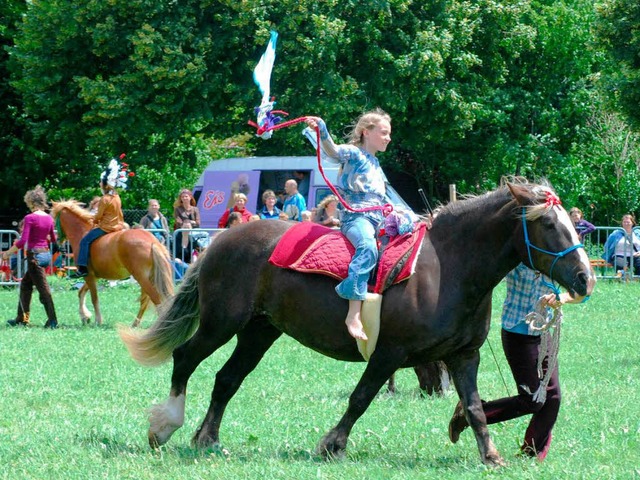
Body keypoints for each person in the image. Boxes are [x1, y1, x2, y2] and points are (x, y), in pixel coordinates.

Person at [448, 263, 582, 461]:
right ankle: (470, 415)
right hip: (517, 334)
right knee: (532, 400)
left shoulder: (557, 258)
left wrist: (562, 298)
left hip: (544, 332)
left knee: (553, 397)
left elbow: (583, 292)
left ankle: (529, 456)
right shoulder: (518, 260)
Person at [304, 109, 392, 340]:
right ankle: (353, 314)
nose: (388, 138)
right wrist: (322, 129)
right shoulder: (354, 153)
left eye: (389, 134)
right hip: (356, 218)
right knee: (367, 247)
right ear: (366, 132)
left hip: (379, 218)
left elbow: (386, 200)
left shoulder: (377, 165)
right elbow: (332, 152)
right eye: (384, 133)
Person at [2, 185, 58, 328]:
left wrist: (7, 253)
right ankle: (21, 318)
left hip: (35, 258)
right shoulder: (49, 219)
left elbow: (22, 241)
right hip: (45, 255)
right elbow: (52, 239)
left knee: (44, 290)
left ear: (31, 202)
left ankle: (52, 320)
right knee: (26, 285)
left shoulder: (30, 218)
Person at [75, 159, 127, 277]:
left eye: (100, 182)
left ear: (105, 184)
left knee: (85, 241)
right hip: (118, 226)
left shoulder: (105, 199)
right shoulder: (117, 197)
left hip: (106, 228)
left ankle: (82, 267)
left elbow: (99, 216)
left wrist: (93, 219)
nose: (100, 184)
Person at [173, 188, 201, 264]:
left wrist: (187, 223)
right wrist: (191, 222)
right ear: (181, 199)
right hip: (181, 232)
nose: (185, 198)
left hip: (193, 233)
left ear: (190, 197)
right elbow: (178, 222)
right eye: (183, 197)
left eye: (186, 196)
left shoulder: (195, 209)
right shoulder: (177, 209)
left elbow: (198, 223)